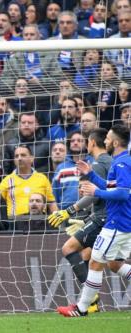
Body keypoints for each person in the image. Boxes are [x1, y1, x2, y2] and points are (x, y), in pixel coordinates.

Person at [57, 124, 131, 317]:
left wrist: (96, 192)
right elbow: (111, 186)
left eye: (107, 138)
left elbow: (122, 194)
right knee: (114, 265)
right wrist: (91, 175)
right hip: (120, 223)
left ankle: (82, 308)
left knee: (95, 263)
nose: (104, 141)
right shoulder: (121, 161)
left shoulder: (122, 164)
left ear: (115, 142)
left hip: (117, 223)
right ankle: (82, 307)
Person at [0, 145, 58, 217]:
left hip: (39, 222)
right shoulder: (6, 181)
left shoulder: (42, 178)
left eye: (23, 155)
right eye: (16, 156)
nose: (19, 158)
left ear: (32, 158)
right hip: (15, 224)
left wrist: (59, 223)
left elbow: (51, 203)